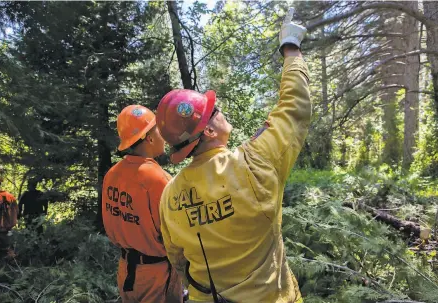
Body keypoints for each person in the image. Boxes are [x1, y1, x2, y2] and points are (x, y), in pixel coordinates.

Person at [156, 8, 309, 303]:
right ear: (209, 132)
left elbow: (177, 259)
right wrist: (291, 48)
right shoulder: (254, 163)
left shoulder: (170, 195)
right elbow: (295, 108)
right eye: (214, 111)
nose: (220, 109)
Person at [102, 105, 183, 303]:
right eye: (159, 130)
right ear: (149, 137)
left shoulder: (112, 174)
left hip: (126, 271)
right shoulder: (158, 179)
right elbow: (175, 235)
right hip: (156, 275)